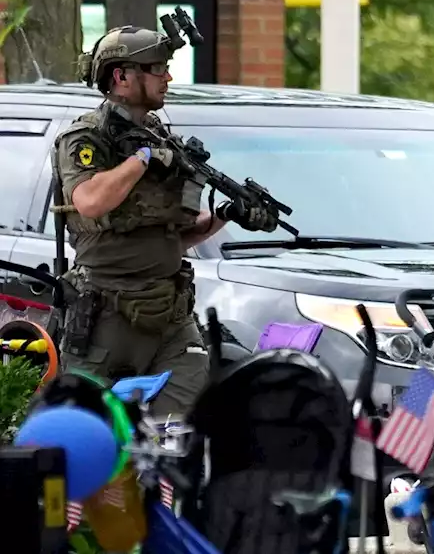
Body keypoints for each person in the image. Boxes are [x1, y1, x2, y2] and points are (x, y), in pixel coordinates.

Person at [51, 25, 276, 419]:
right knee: (92, 429)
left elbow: (173, 235)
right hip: (106, 314)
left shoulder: (161, 137)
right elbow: (89, 201)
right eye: (157, 68)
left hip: (171, 314)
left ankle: (164, 482)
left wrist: (228, 214)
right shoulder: (87, 138)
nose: (168, 77)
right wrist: (142, 159)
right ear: (121, 77)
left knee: (177, 431)